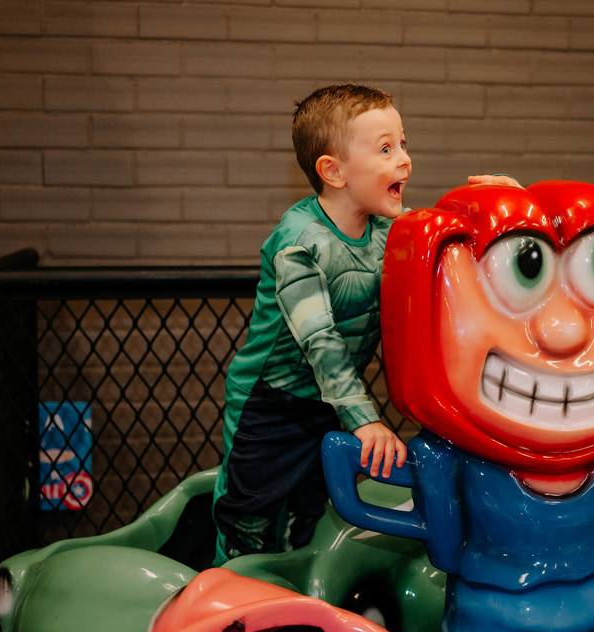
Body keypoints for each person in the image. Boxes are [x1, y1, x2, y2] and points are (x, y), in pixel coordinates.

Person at [213, 84, 511, 563]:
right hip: (271, 404)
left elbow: (444, 238)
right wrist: (365, 421)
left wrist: (501, 209)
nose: (405, 160)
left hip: (327, 402)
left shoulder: (387, 229)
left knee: (308, 508)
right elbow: (320, 339)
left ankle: (294, 584)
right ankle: (229, 584)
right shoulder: (300, 242)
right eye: (386, 149)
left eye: (403, 144)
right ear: (333, 171)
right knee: (250, 513)